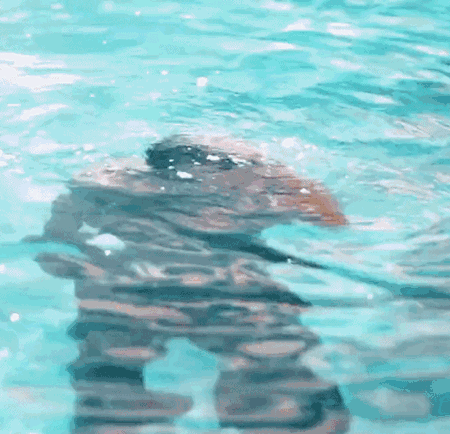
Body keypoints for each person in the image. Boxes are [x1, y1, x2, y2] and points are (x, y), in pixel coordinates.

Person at [33, 135, 350, 433]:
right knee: (280, 373)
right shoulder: (269, 193)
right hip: (223, 286)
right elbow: (334, 228)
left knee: (107, 379)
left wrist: (85, 265)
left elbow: (56, 247)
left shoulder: (110, 182)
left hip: (141, 282)